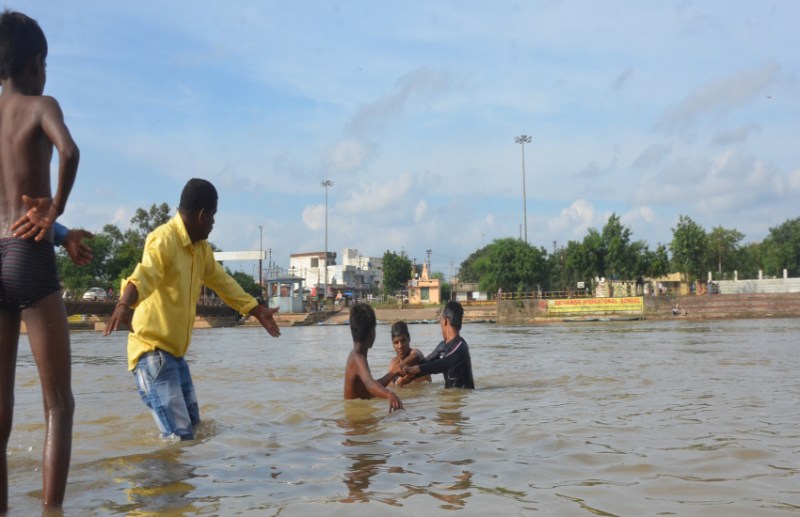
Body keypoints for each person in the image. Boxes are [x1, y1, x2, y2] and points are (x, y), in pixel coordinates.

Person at [103, 178, 281, 440]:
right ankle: (150, 481)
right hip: (152, 354)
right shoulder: (164, 239)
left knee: (196, 432)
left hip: (175, 357)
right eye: (213, 217)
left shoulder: (201, 249)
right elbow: (145, 274)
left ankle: (175, 480)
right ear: (201, 215)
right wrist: (123, 303)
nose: (213, 224)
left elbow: (223, 282)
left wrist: (255, 309)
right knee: (180, 438)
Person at [0, 10, 80, 511]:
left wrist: (62, 231)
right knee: (58, 405)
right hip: (27, 260)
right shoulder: (40, 105)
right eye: (45, 64)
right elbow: (69, 153)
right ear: (35, 63)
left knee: (0, 412)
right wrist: (55, 210)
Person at [343, 303, 404, 413]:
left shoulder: (355, 356)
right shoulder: (358, 358)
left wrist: (393, 373)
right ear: (372, 333)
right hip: (357, 420)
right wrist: (389, 394)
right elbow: (370, 384)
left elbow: (369, 388)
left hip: (356, 414)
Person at [401, 301, 474, 389]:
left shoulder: (461, 347)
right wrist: (406, 374)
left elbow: (444, 363)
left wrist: (417, 369)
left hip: (461, 399)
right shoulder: (443, 346)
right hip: (449, 398)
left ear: (446, 321)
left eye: (441, 321)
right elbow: (426, 362)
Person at [388, 321, 430, 387]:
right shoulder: (393, 362)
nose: (400, 346)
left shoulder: (415, 354)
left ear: (409, 338)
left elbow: (417, 354)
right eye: (396, 343)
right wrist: (399, 382)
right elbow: (391, 386)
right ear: (392, 344)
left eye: (403, 341)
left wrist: (397, 369)